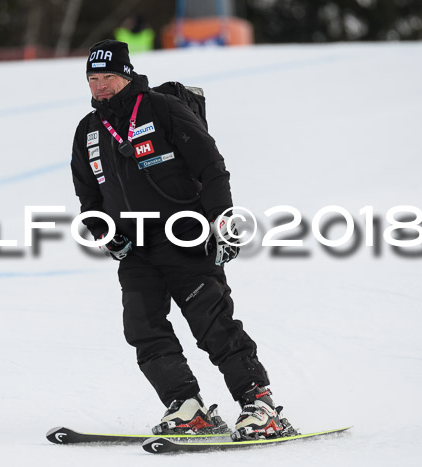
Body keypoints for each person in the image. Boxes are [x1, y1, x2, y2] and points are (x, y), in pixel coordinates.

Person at [70, 39, 290, 440]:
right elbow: (89, 197)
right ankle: (187, 408)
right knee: (143, 328)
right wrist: (105, 234)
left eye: (107, 77)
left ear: (126, 74)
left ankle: (259, 404)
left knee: (212, 324)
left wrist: (223, 221)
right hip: (136, 250)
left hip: (186, 236)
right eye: (92, 79)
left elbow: (211, 167)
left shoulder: (161, 108)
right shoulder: (88, 132)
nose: (99, 86)